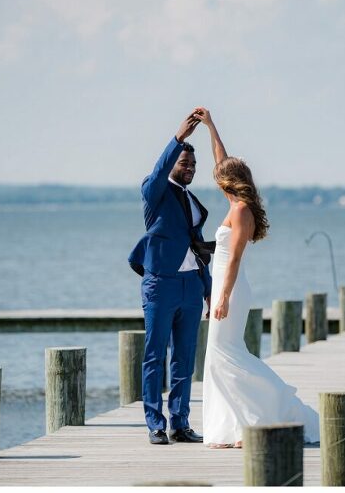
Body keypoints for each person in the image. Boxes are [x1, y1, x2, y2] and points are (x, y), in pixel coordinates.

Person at [193, 107, 320, 448]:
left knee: (225, 355)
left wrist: (220, 298)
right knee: (222, 356)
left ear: (227, 183)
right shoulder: (237, 203)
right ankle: (237, 428)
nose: (215, 179)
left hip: (230, 290)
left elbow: (233, 259)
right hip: (227, 289)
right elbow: (222, 162)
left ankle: (275, 410)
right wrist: (211, 127)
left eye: (220, 178)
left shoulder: (240, 211)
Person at [128, 110, 212, 445]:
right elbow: (161, 170)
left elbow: (196, 246)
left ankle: (180, 422)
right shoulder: (154, 192)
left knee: (184, 358)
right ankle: (155, 424)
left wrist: (207, 289)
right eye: (184, 163)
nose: (189, 169)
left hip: (191, 285)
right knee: (155, 355)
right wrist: (177, 138)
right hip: (160, 285)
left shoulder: (192, 200)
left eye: (193, 165)